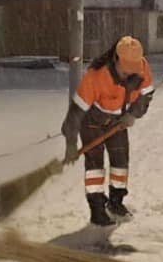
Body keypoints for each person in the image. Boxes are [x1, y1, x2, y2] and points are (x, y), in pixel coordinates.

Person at [61, 36, 154, 226]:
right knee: (95, 167)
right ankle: (97, 210)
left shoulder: (142, 68)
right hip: (92, 120)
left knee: (120, 163)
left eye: (134, 68)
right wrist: (71, 143)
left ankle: (116, 202)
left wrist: (134, 114)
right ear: (116, 59)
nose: (130, 73)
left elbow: (147, 94)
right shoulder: (96, 76)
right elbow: (76, 112)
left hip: (118, 121)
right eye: (127, 68)